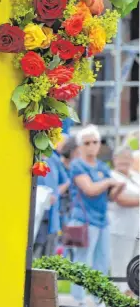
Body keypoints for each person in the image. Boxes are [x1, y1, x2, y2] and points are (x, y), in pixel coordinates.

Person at [69, 125, 126, 307]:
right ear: (81, 146)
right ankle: (78, 299)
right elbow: (90, 189)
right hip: (84, 220)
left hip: (102, 220)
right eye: (87, 142)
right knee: (82, 261)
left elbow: (109, 197)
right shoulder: (78, 164)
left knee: (102, 262)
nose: (92, 145)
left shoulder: (102, 166)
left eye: (95, 142)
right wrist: (109, 181)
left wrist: (119, 188)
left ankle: (98, 299)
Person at [108, 147, 139, 295]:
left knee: (135, 267)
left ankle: (131, 297)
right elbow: (121, 200)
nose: (124, 160)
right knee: (120, 267)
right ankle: (117, 298)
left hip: (136, 229)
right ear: (114, 160)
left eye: (127, 157)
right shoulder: (111, 176)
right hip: (120, 229)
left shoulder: (135, 176)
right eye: (121, 157)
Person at [34, 134, 70, 258]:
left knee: (48, 257)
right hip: (35, 215)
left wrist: (55, 194)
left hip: (52, 218)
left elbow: (65, 181)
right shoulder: (31, 156)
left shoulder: (53, 158)